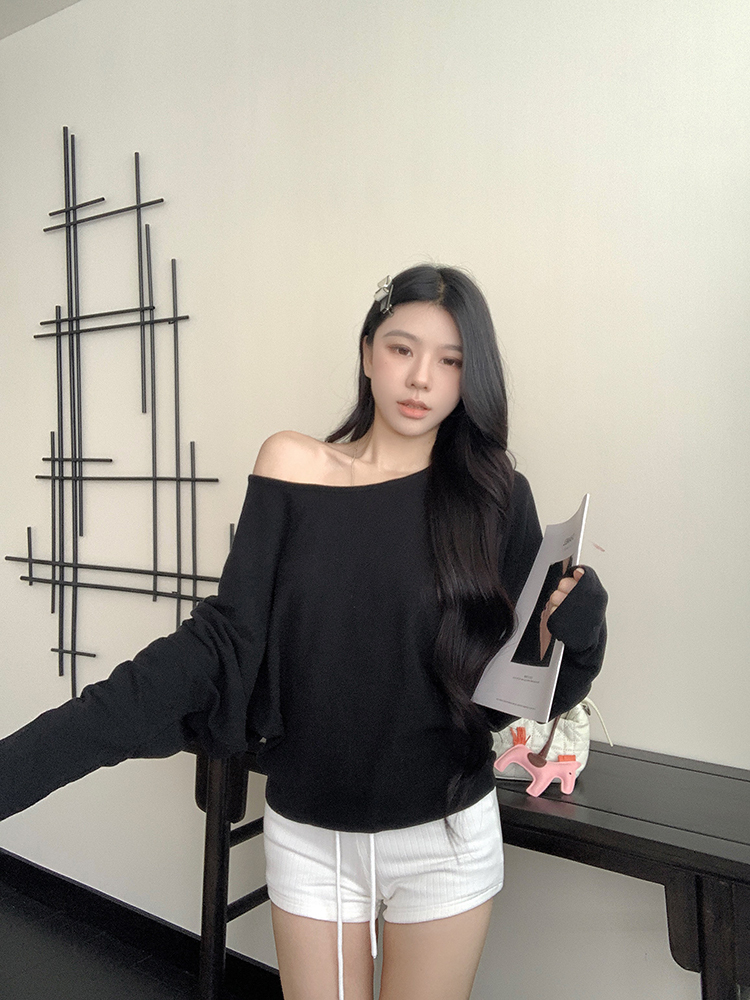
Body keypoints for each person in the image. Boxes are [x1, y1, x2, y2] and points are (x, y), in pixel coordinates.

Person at [0, 265, 607, 1000]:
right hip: (313, 838)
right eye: (402, 348)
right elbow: (221, 643)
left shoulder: (495, 495)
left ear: (469, 377)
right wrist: (23, 765)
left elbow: (519, 690)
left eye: (450, 361)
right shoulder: (292, 465)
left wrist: (583, 632)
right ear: (368, 353)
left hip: (446, 835)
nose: (421, 378)